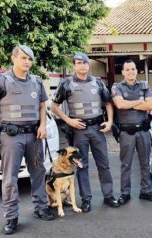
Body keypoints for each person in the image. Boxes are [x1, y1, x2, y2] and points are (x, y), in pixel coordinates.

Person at [0, 45, 55, 234]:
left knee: (38, 173)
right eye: (23, 58)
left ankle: (41, 208)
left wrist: (43, 125)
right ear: (13, 59)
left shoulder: (37, 82)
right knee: (10, 179)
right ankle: (11, 217)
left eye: (30, 59)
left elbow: (42, 105)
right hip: (11, 137)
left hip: (34, 136)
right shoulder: (0, 81)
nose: (27, 62)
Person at [51, 52, 119, 212]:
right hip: (78, 130)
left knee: (104, 164)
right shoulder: (66, 84)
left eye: (85, 63)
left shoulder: (98, 83)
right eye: (79, 63)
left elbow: (108, 103)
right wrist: (68, 120)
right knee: (82, 165)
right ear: (74, 66)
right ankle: (86, 199)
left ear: (88, 65)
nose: (82, 66)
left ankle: (108, 196)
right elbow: (54, 107)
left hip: (97, 128)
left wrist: (109, 121)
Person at [111, 60, 152, 204]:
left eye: (133, 69)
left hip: (143, 131)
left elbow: (151, 105)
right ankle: (125, 193)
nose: (130, 72)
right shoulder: (117, 87)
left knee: (145, 163)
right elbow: (120, 104)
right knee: (126, 164)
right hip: (126, 132)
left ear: (136, 71)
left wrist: (129, 104)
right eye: (127, 69)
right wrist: (139, 102)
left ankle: (146, 191)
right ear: (123, 72)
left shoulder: (144, 85)